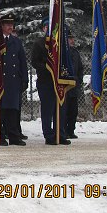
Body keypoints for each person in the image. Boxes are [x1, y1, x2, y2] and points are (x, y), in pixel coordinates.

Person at [31, 17, 71, 145]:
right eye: (47, 27)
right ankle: (49, 135)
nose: (49, 29)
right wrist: (49, 69)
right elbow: (35, 62)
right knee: (48, 109)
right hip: (46, 81)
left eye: (52, 27)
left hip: (59, 81)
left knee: (61, 108)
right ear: (43, 28)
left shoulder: (61, 43)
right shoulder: (39, 43)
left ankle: (60, 133)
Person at [0, 13, 28, 146]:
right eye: (7, 25)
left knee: (13, 110)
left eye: (11, 25)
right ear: (1, 27)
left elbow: (22, 61)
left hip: (13, 82)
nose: (10, 27)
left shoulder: (16, 41)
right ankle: (0, 136)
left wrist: (25, 79)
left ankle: (14, 136)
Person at [65, 29, 84, 139]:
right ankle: (63, 129)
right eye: (69, 38)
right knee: (65, 110)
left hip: (74, 86)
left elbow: (80, 68)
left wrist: (79, 81)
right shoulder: (62, 52)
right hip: (65, 85)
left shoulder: (75, 53)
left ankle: (71, 130)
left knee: (73, 111)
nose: (71, 40)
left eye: (72, 38)